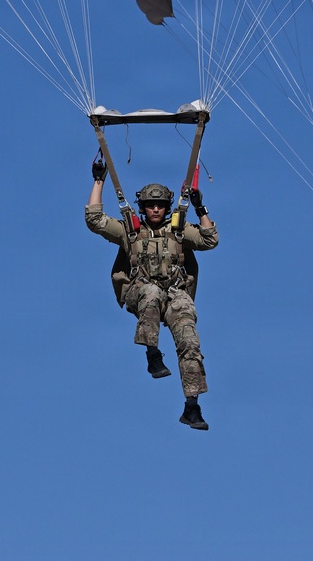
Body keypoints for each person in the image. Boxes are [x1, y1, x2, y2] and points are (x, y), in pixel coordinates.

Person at [86, 162, 219, 430]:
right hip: (141, 291)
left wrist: (199, 208)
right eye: (150, 204)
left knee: (189, 340)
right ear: (143, 207)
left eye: (159, 205)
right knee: (151, 291)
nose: (155, 209)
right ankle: (152, 353)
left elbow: (209, 240)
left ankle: (192, 406)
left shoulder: (179, 230)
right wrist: (99, 181)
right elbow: (95, 220)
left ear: (167, 207)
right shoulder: (130, 230)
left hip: (174, 294)